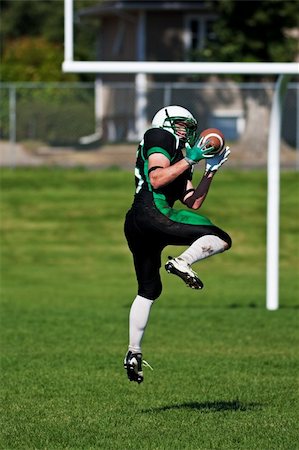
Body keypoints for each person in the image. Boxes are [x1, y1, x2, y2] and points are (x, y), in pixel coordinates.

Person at [123, 105, 231, 383]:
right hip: (153, 211)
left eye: (188, 126)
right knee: (221, 238)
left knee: (149, 290)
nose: (186, 130)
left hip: (138, 222)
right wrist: (190, 159)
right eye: (181, 124)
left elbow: (193, 201)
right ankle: (182, 261)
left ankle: (133, 352)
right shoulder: (160, 136)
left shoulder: (178, 155)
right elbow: (157, 179)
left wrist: (210, 171)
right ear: (166, 122)